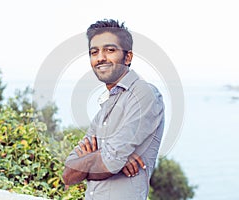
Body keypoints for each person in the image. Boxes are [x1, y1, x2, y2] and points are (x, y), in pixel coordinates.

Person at [62, 19, 165, 200]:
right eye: (94, 52)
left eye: (110, 50)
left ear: (128, 57)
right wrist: (104, 156)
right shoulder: (104, 111)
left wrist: (105, 159)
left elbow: (110, 163)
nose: (100, 57)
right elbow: (68, 175)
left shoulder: (143, 94)